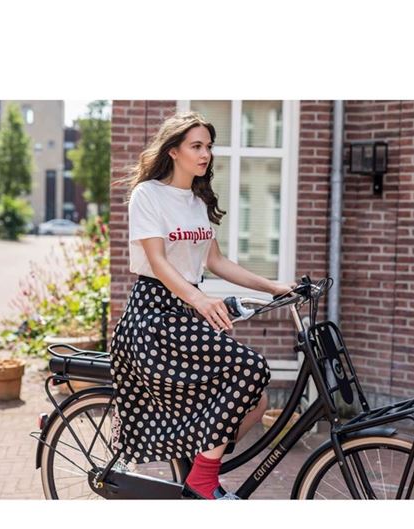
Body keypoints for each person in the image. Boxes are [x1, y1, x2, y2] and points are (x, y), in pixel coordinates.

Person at [110, 111, 296, 499]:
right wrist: (198, 298)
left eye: (208, 146)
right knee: (251, 367)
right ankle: (203, 480)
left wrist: (273, 287)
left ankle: (200, 466)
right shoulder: (148, 195)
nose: (205, 154)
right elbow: (158, 262)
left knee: (256, 400)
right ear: (173, 151)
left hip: (185, 314)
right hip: (153, 316)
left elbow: (217, 261)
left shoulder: (197, 201)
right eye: (196, 146)